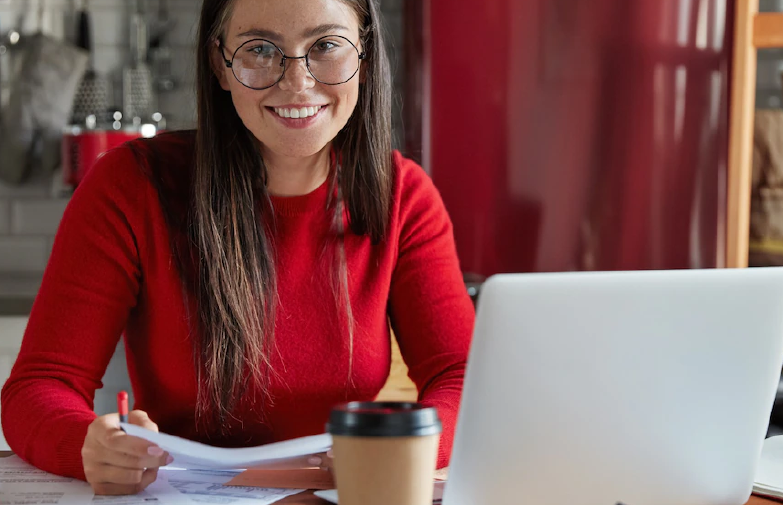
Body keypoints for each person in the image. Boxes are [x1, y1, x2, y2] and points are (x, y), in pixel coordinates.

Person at [0, 0, 473, 495]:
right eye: (261, 50)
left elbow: (461, 375)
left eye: (327, 45)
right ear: (218, 64)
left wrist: (394, 447)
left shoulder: (404, 196)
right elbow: (39, 387)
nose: (297, 83)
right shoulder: (129, 186)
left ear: (366, 55)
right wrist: (88, 445)